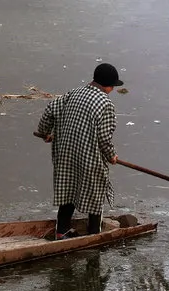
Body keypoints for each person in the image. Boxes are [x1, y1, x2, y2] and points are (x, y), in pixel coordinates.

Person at [36, 63, 123, 239]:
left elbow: (50, 111)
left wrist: (46, 132)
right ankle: (93, 235)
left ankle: (61, 231)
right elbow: (104, 138)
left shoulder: (73, 93)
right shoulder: (105, 104)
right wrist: (111, 156)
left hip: (66, 154)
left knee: (68, 188)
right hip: (88, 157)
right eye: (113, 86)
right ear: (108, 85)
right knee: (95, 192)